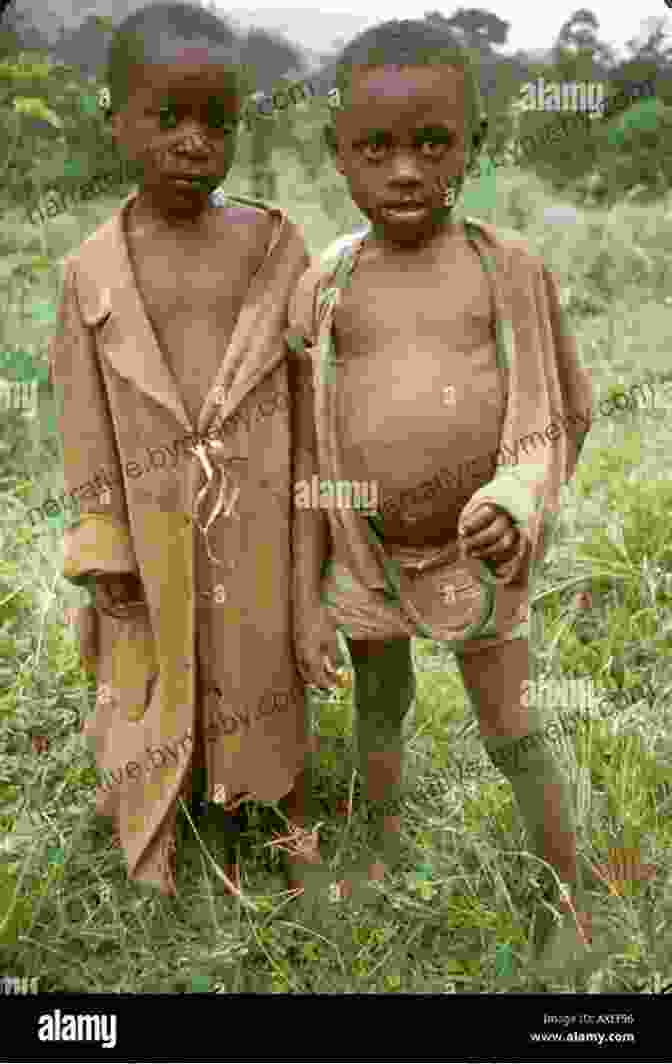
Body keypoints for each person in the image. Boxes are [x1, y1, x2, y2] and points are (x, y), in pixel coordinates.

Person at [288, 18, 595, 953]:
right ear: (336, 154)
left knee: (513, 727)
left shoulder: (506, 273)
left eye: (434, 143)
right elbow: (310, 451)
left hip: (478, 552)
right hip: (367, 556)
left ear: (476, 145)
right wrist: (309, 589)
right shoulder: (327, 285)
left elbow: (554, 409)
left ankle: (564, 895)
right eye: (375, 147)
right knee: (378, 711)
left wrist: (514, 497)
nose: (407, 171)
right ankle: (377, 851)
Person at [48, 1, 324, 898]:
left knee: (259, 660)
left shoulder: (275, 247)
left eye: (217, 120)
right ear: (117, 117)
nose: (194, 141)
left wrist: (323, 530)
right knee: (148, 660)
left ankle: (276, 813)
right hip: (147, 513)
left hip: (258, 511)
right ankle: (156, 830)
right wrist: (100, 535)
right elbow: (82, 416)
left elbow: (313, 394)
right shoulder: (92, 268)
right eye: (168, 117)